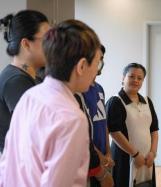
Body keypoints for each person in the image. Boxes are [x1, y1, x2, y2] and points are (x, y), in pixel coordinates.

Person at [0, 19, 102, 186]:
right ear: (82, 66)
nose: (97, 71)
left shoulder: (30, 96)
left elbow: (7, 161)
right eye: (98, 63)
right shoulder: (71, 118)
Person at [0, 10, 50, 154]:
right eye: (46, 40)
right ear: (26, 44)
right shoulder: (16, 81)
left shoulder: (31, 77)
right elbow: (36, 134)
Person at [106, 63, 159, 187]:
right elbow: (115, 132)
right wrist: (135, 154)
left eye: (139, 78)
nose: (135, 80)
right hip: (125, 159)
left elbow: (154, 130)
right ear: (123, 78)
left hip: (147, 159)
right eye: (131, 76)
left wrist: (153, 153)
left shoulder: (147, 101)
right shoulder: (115, 101)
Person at [81, 45, 115, 186]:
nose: (101, 63)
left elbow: (103, 123)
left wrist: (108, 152)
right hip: (89, 159)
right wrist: (100, 157)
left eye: (102, 59)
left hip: (102, 156)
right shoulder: (80, 90)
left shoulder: (99, 88)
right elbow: (82, 133)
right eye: (97, 59)